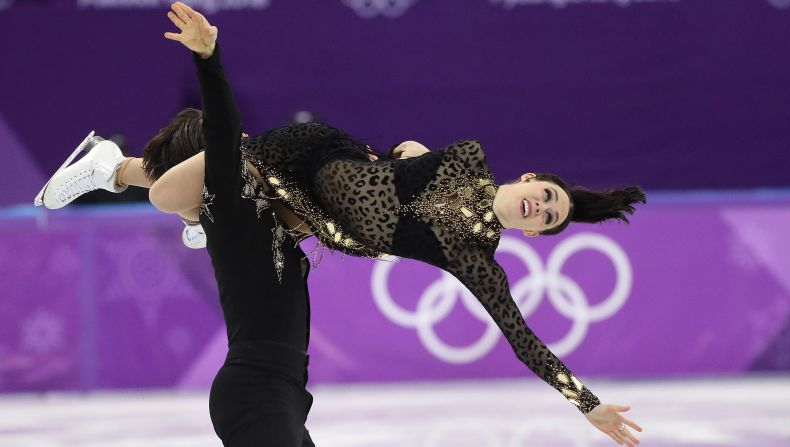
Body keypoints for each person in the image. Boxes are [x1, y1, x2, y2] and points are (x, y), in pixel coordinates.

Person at [38, 3, 646, 446]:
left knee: (202, 207)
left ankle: (198, 211)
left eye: (548, 216)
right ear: (530, 178)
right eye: (546, 196)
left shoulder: (473, 260)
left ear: (534, 235)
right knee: (180, 190)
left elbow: (523, 339)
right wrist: (405, 157)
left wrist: (586, 404)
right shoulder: (469, 156)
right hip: (309, 158)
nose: (540, 206)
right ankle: (114, 168)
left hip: (316, 221)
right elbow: (410, 153)